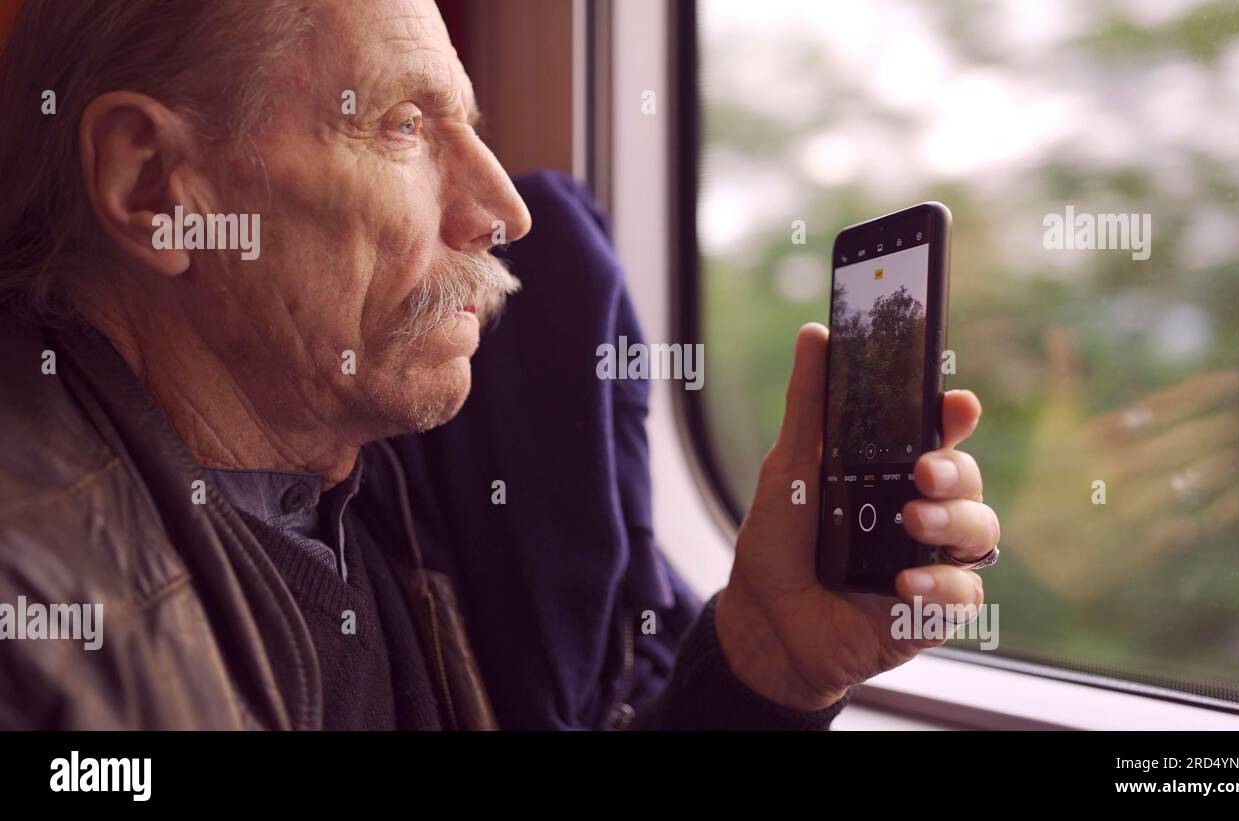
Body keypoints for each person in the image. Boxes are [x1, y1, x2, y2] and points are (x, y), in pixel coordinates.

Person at [0, 0, 1000, 729]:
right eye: (402, 126)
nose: (505, 211)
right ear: (155, 185)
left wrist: (763, 669)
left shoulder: (380, 480)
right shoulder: (41, 639)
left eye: (471, 129)